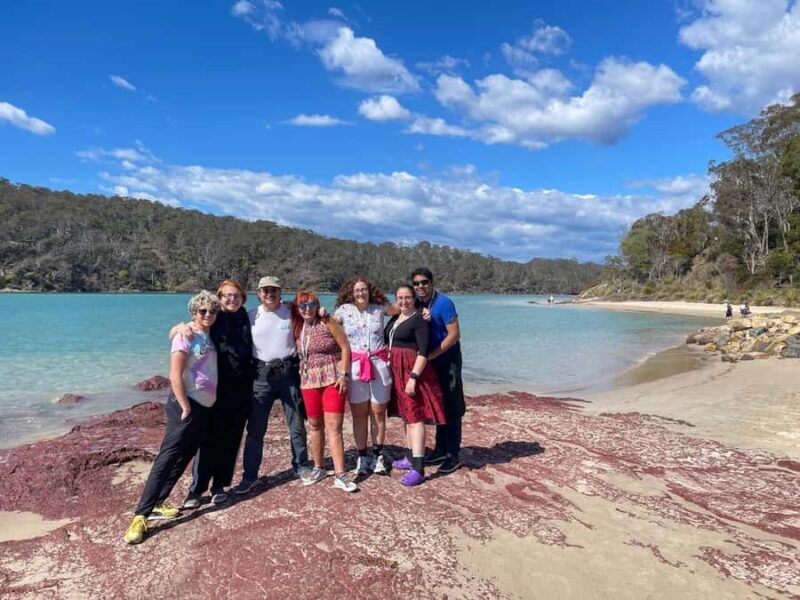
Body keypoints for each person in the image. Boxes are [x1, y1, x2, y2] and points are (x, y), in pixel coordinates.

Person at [124, 291, 219, 544]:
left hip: (204, 407)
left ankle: (159, 502)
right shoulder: (184, 335)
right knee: (167, 457)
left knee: (185, 455)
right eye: (203, 311)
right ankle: (140, 516)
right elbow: (175, 375)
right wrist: (185, 405)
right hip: (185, 406)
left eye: (212, 311)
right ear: (193, 313)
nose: (208, 315)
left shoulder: (209, 335)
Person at [170, 280, 254, 509]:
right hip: (215, 392)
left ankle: (220, 486)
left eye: (236, 296)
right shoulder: (214, 317)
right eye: (226, 296)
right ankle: (196, 490)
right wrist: (179, 327)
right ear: (219, 297)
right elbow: (188, 331)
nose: (231, 300)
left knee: (232, 439)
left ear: (243, 298)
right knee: (209, 440)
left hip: (241, 391)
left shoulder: (247, 317)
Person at [234, 276, 309, 494]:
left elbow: (312, 314)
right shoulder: (251, 316)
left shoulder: (292, 311)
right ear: (258, 293)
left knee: (296, 425)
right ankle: (249, 477)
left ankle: (301, 466)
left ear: (280, 291)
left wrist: (323, 313)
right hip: (261, 375)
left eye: (274, 290)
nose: (270, 294)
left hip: (288, 373)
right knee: (256, 430)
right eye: (265, 290)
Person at [292, 291, 357, 492]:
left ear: (317, 305)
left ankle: (340, 474)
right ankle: (319, 467)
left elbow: (345, 347)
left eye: (311, 304)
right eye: (302, 305)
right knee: (314, 424)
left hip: (332, 378)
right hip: (308, 380)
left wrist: (344, 374)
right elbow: (277, 305)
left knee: (334, 426)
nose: (306, 309)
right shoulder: (297, 325)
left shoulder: (327, 321)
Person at [334, 276, 397, 476]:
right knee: (359, 414)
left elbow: (403, 309)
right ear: (351, 293)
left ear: (370, 291)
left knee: (378, 412)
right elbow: (328, 328)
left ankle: (377, 455)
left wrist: (422, 309)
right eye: (357, 290)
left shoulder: (380, 308)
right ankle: (362, 456)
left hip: (379, 365)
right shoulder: (344, 311)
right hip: (354, 367)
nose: (360, 293)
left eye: (364, 290)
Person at [385, 284, 446, 486]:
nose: (404, 301)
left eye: (408, 297)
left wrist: (413, 377)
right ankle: (409, 456)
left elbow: (423, 351)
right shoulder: (396, 318)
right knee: (406, 415)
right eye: (400, 298)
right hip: (396, 370)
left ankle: (418, 469)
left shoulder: (419, 319)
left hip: (411, 371)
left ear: (414, 299)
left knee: (415, 417)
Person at [411, 268, 465, 475]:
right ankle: (440, 449)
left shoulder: (444, 303)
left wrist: (430, 356)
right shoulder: (417, 303)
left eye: (424, 282)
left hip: (447, 358)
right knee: (438, 404)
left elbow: (454, 335)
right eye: (416, 284)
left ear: (432, 283)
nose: (420, 287)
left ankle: (453, 454)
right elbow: (392, 309)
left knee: (452, 406)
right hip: (430, 360)